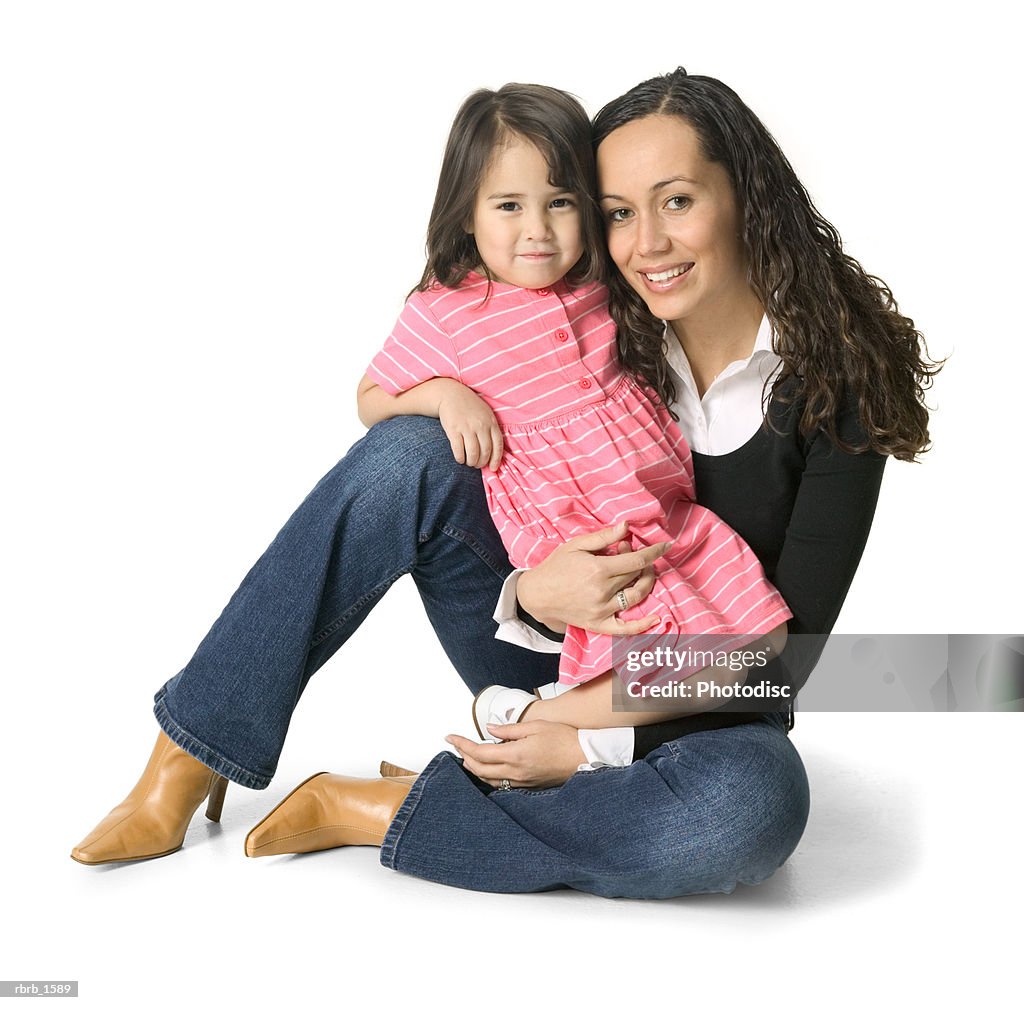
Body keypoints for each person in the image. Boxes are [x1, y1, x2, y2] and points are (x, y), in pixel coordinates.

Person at [71, 69, 938, 899]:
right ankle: (188, 753)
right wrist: (530, 593)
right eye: (618, 214)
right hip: (543, 643)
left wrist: (585, 740)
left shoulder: (838, 381)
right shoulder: (599, 306)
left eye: (678, 201)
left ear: (744, 194)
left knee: (750, 814)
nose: (648, 245)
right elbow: (398, 389)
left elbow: (785, 661)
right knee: (411, 450)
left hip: (702, 704)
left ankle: (378, 809)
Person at [357, 83, 791, 742]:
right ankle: (547, 727)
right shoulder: (444, 311)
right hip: (578, 545)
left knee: (768, 638)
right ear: (466, 215)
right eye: (508, 206)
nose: (537, 230)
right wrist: (447, 395)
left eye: (560, 203)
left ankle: (531, 723)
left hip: (666, 525)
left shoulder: (602, 286)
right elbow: (371, 397)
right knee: (656, 665)